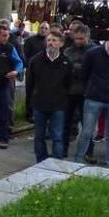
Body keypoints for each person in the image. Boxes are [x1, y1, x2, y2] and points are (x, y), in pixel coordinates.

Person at [73, 27, 109, 168]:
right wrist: (90, 89)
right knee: (87, 131)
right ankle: (78, 160)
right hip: (94, 97)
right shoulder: (93, 53)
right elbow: (84, 74)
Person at [27, 32, 72, 162]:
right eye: (49, 40)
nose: (51, 43)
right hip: (39, 103)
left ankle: (56, 161)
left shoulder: (66, 62)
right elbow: (30, 83)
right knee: (39, 136)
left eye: (54, 40)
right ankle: (41, 160)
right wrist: (30, 103)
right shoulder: (36, 60)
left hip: (58, 104)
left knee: (57, 136)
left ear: (61, 43)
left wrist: (63, 100)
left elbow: (68, 83)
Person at [62, 24, 96, 156]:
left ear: (88, 37)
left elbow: (93, 71)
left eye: (82, 39)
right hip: (70, 91)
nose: (79, 41)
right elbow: (65, 68)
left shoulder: (95, 51)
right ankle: (63, 149)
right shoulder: (69, 51)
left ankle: (88, 151)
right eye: (76, 39)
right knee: (66, 122)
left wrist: (76, 68)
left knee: (87, 124)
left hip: (87, 92)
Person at [23, 23, 50, 120]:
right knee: (30, 92)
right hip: (32, 71)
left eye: (46, 28)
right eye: (42, 28)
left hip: (45, 72)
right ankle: (29, 114)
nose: (43, 30)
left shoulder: (49, 41)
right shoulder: (30, 40)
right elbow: (25, 55)